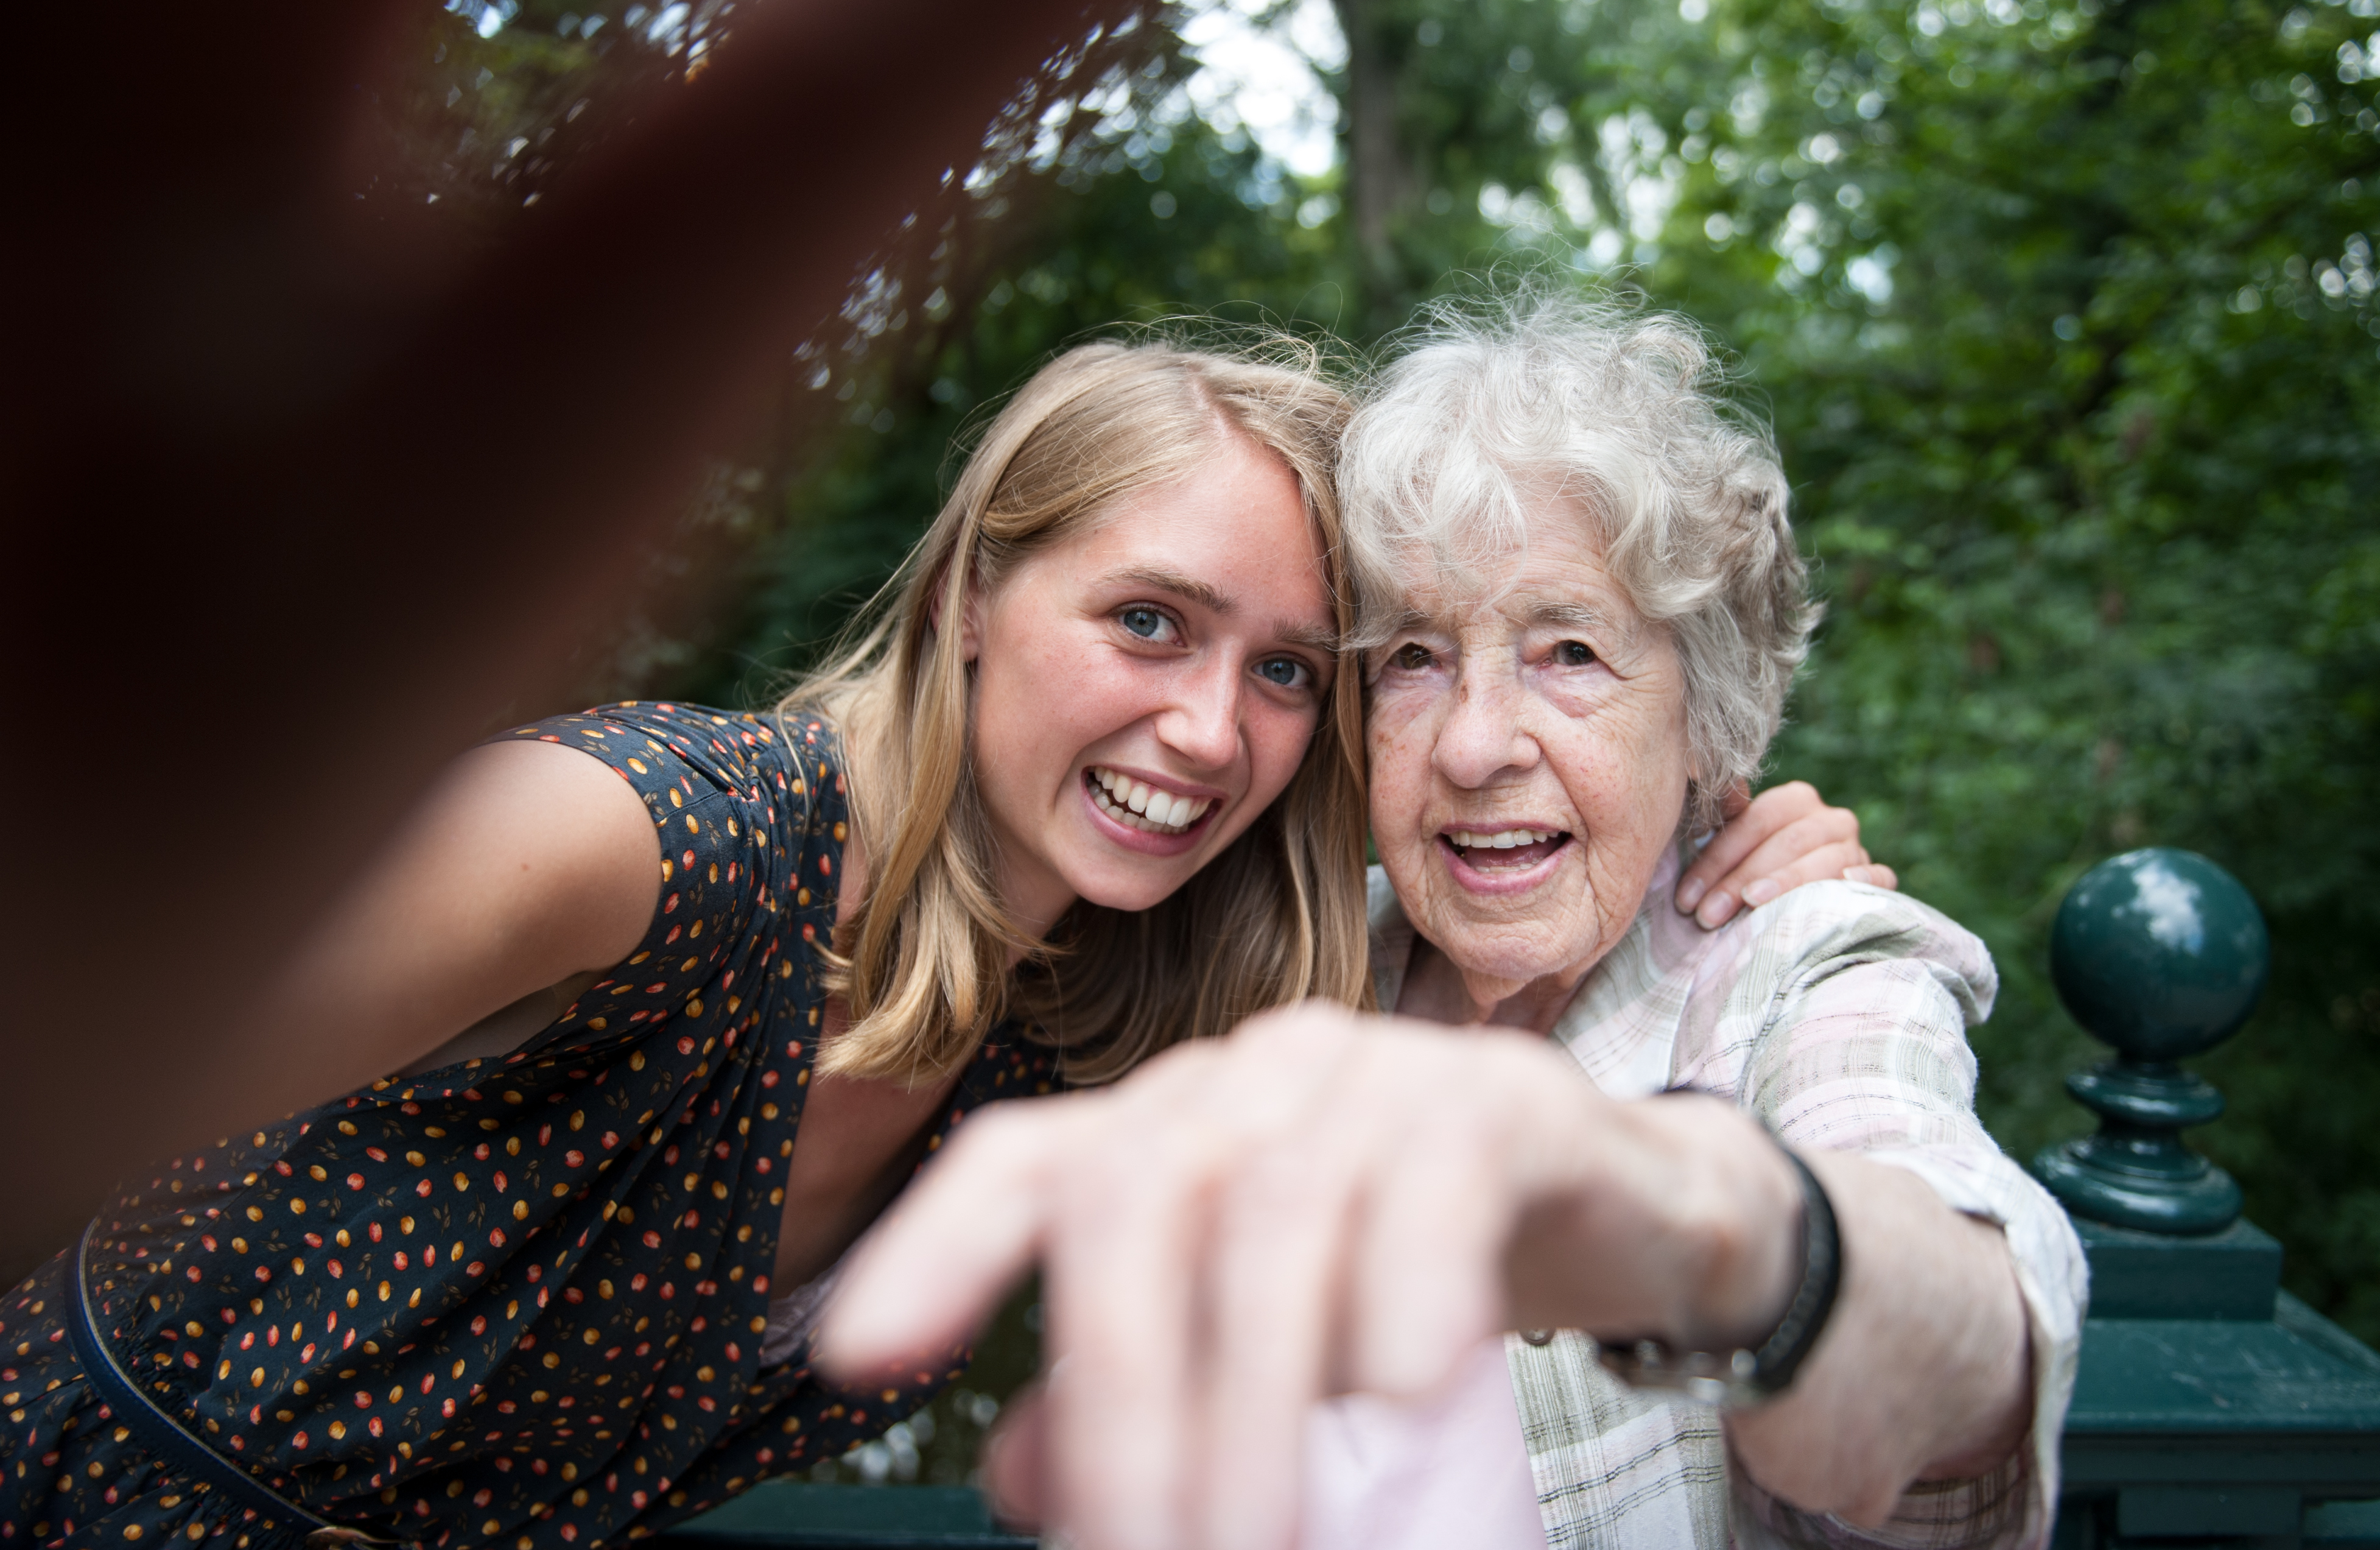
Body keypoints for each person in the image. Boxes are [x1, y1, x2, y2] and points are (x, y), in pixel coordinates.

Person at [0, 333, 1880, 1550]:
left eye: (1290, 671)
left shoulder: (1084, 1026)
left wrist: (1729, 829)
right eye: (1149, 622)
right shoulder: (656, 839)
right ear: (981, 590)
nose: (1213, 732)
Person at [816, 297, 2086, 1550]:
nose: (1474, 745)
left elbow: (1978, 1346)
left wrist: (1709, 1225)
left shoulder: (1806, 971)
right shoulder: (1278, 958)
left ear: (1711, 721)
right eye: (1414, 657)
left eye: (1570, 653)